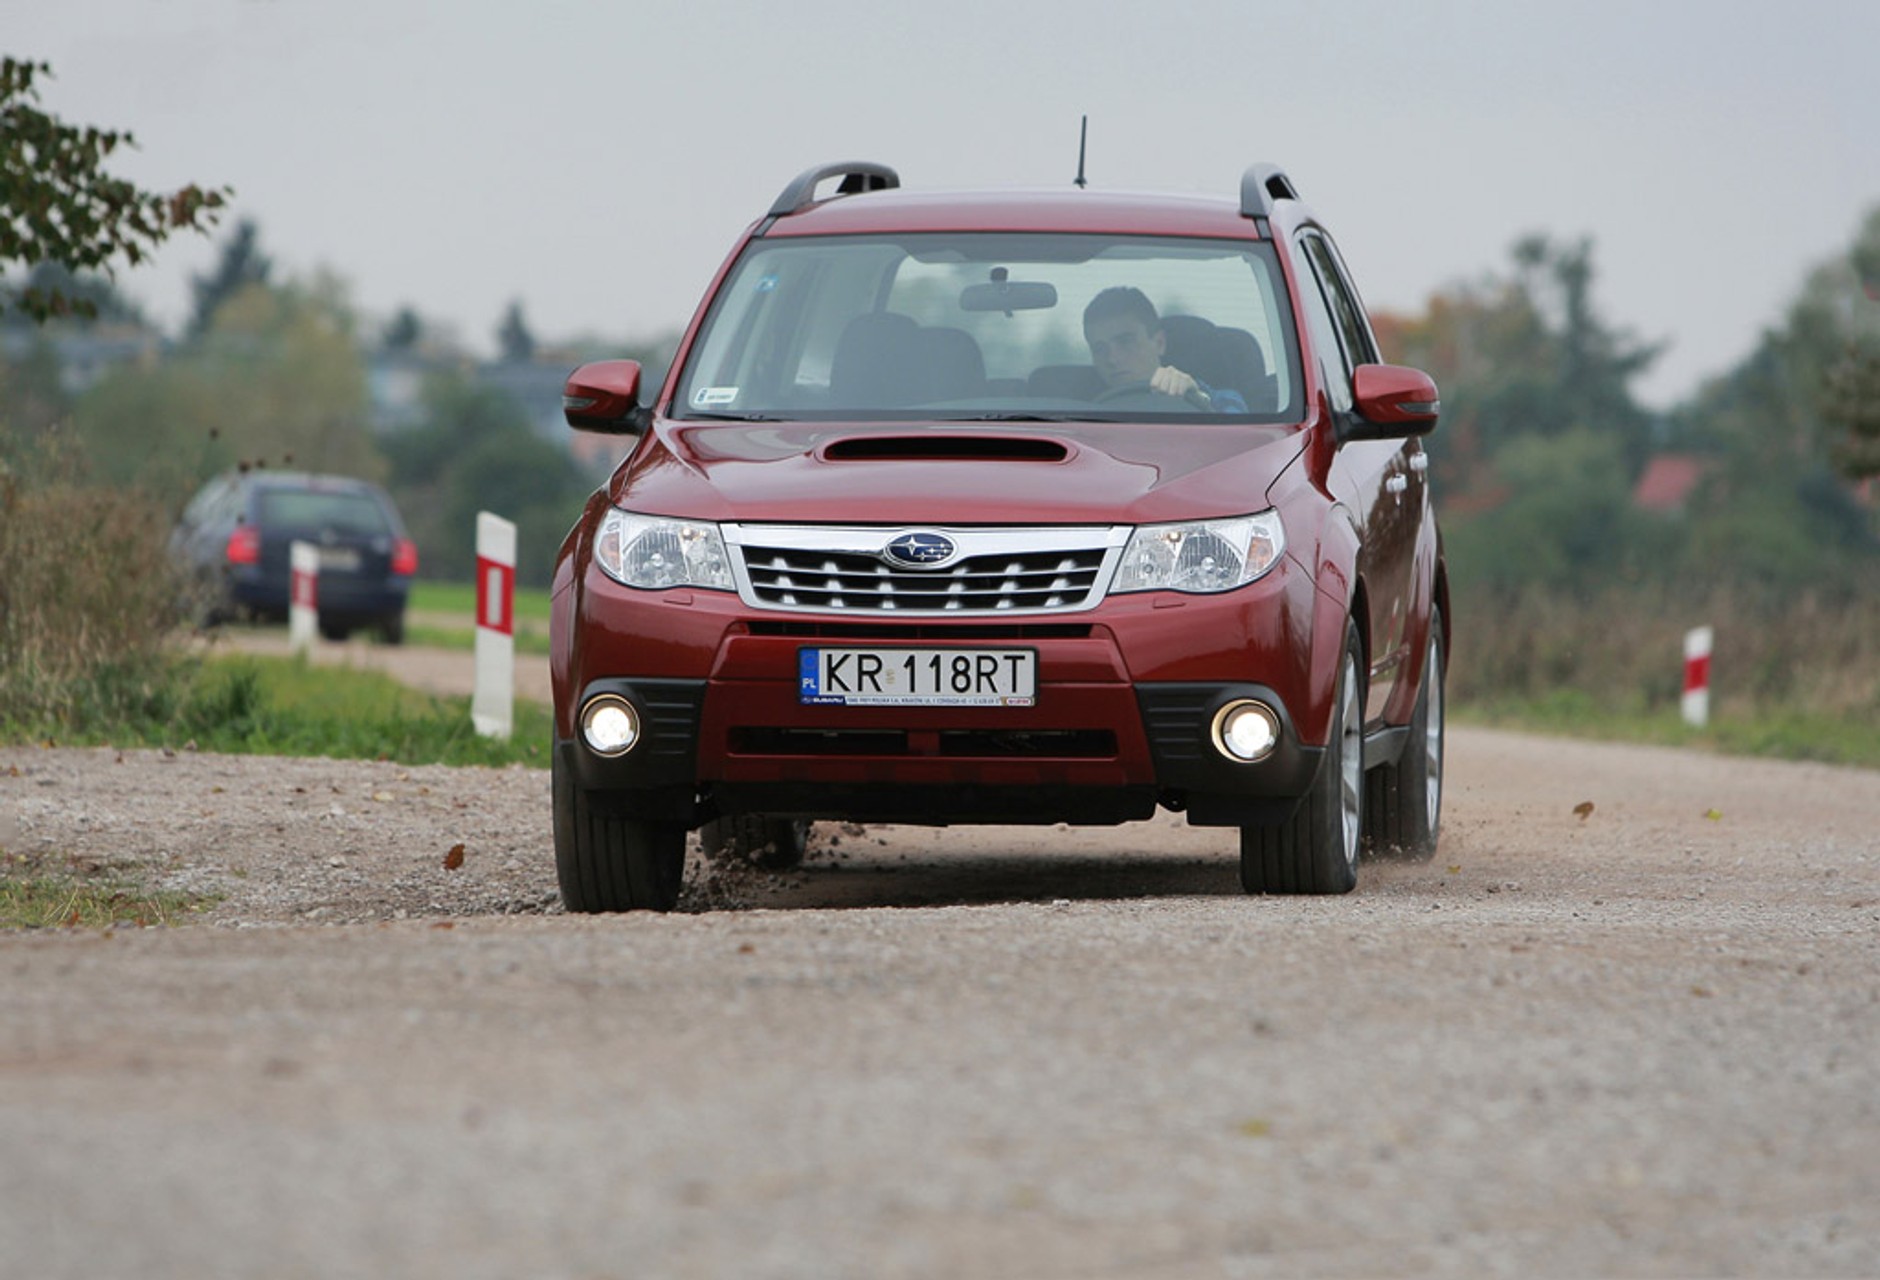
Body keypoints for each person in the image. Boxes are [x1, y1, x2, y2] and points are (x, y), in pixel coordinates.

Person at [1081, 286, 1247, 412]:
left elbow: (1243, 442)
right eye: (1099, 349)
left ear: (1159, 343)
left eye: (1126, 342)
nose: (1112, 359)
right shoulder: (1076, 412)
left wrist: (1197, 401)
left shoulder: (1220, 399)